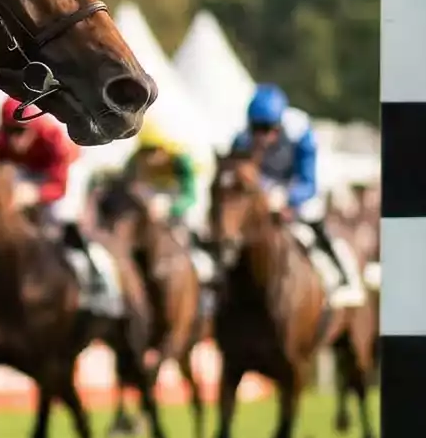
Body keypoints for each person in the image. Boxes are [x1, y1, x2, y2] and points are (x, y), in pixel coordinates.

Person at [0, 96, 118, 314]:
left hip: (66, 171)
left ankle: (97, 278)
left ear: (33, 127)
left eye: (19, 132)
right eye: (9, 132)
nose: (13, 141)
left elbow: (60, 188)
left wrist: (35, 194)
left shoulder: (53, 137)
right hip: (30, 172)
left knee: (61, 216)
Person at [231, 83, 352, 297]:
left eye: (267, 129)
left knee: (314, 226)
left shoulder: (301, 132)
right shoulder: (241, 140)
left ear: (279, 125)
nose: (261, 137)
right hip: (260, 197)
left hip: (296, 193)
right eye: (256, 129)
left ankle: (341, 275)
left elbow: (309, 182)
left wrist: (287, 200)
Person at [126, 124, 206, 233]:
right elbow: (128, 185)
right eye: (144, 151)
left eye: (152, 151)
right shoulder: (135, 160)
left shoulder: (181, 161)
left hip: (179, 205)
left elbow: (191, 197)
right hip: (150, 202)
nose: (148, 159)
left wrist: (169, 208)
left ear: (163, 149)